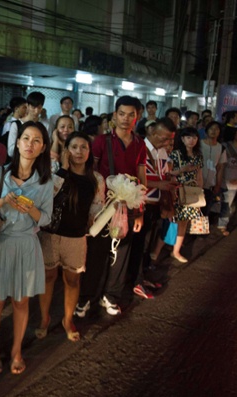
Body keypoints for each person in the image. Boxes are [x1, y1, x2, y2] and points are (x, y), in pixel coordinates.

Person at [0, 121, 53, 375]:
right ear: (17, 142)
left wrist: (31, 208)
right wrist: (3, 201)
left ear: (43, 147)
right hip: (0, 243)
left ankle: (16, 351)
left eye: (36, 141)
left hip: (26, 245)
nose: (30, 145)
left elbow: (46, 218)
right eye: (25, 138)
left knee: (21, 303)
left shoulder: (45, 181)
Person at [78, 95, 146, 317]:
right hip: (102, 208)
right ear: (114, 115)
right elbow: (92, 175)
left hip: (129, 207)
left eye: (131, 115)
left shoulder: (140, 144)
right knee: (96, 253)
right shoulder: (100, 141)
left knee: (122, 254)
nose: (126, 119)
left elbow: (141, 178)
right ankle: (87, 297)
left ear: (137, 117)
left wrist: (140, 212)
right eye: (122, 114)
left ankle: (111, 295)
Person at [37, 132, 104, 342]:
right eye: (74, 147)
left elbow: (97, 206)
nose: (79, 152)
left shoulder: (96, 178)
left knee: (72, 281)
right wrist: (64, 170)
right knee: (48, 278)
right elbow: (50, 195)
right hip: (51, 233)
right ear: (67, 150)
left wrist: (94, 219)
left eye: (83, 147)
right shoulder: (56, 172)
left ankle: (67, 320)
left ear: (89, 151)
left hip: (76, 237)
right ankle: (44, 319)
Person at [129, 118, 178, 299]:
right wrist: (160, 184)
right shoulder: (139, 147)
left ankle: (142, 277)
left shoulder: (162, 151)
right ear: (151, 131)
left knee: (147, 245)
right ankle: (135, 281)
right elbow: (134, 177)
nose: (167, 142)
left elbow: (163, 173)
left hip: (155, 204)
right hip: (143, 204)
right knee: (138, 246)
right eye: (164, 138)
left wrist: (168, 182)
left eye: (170, 139)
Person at [151, 127, 203, 263]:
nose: (192, 141)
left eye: (194, 138)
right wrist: (182, 170)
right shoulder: (176, 154)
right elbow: (167, 173)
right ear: (183, 139)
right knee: (171, 222)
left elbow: (199, 175)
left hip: (191, 191)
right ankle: (156, 251)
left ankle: (176, 251)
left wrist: (200, 191)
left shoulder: (198, 156)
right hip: (177, 191)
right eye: (188, 137)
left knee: (183, 223)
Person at [200, 121, 227, 217]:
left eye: (216, 129)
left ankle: (198, 231)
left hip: (210, 185)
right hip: (196, 183)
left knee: (205, 211)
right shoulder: (198, 144)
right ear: (206, 131)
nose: (213, 131)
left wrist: (218, 185)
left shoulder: (221, 148)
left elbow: (220, 168)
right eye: (211, 128)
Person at [7, 92, 45, 157]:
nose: (36, 111)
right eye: (33, 107)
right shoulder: (16, 125)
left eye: (39, 107)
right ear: (27, 106)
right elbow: (10, 151)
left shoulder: (45, 125)